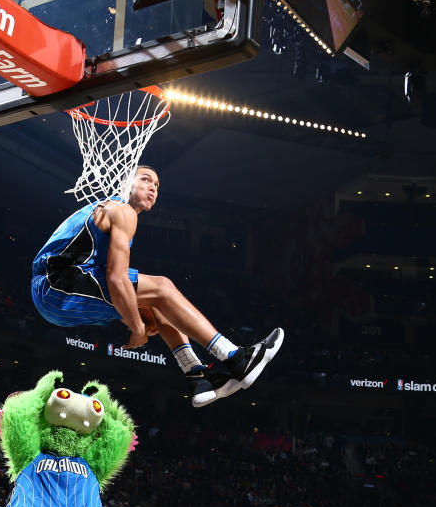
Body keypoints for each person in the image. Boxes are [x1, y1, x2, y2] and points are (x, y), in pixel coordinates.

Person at [31, 165, 284, 407]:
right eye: (145, 179)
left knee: (157, 302)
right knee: (163, 287)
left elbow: (113, 283)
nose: (153, 187)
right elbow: (116, 279)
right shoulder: (122, 210)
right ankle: (236, 358)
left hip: (55, 294)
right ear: (126, 183)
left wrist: (139, 315)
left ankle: (196, 377)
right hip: (55, 283)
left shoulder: (115, 213)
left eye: (157, 184)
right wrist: (136, 326)